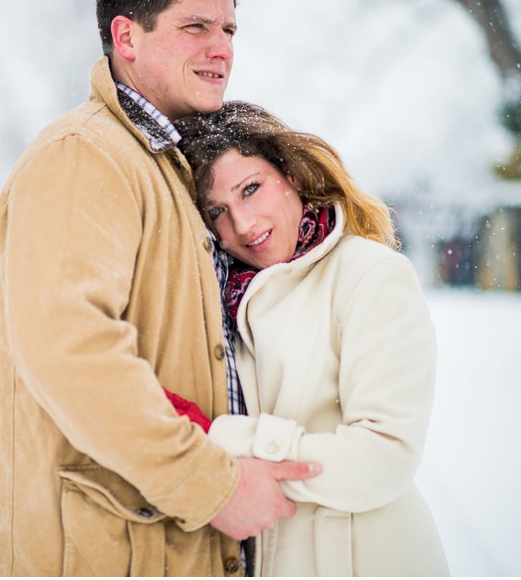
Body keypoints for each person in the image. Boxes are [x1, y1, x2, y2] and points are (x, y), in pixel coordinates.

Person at [0, 0, 321, 576]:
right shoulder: (82, 156)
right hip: (102, 556)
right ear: (126, 37)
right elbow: (70, 352)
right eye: (196, 27)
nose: (222, 49)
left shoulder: (172, 167)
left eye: (230, 30)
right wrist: (212, 485)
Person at [173, 101, 450, 576]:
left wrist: (224, 441)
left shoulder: (371, 275)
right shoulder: (219, 301)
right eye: (218, 210)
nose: (242, 224)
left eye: (251, 189)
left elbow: (384, 455)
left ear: (293, 177)